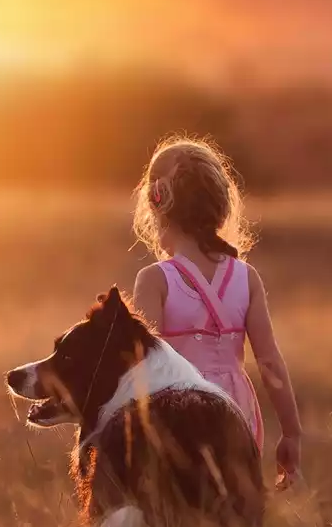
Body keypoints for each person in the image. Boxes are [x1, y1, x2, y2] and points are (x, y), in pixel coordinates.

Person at [128, 136, 304, 488]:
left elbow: (142, 368)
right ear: (221, 206)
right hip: (237, 414)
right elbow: (269, 362)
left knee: (179, 516)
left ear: (156, 203)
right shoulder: (245, 277)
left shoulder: (155, 281)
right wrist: (291, 432)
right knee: (234, 516)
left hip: (179, 415)